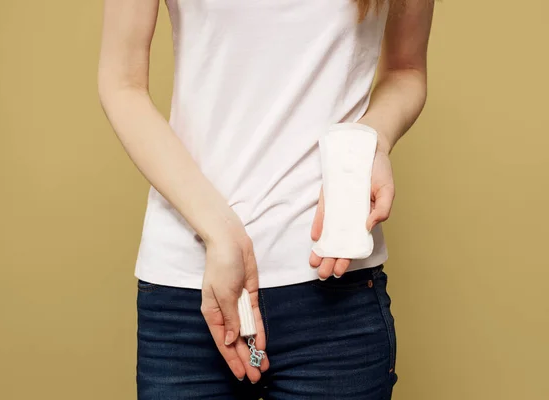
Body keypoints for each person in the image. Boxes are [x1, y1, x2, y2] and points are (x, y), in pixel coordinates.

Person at [98, 0, 433, 398]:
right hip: (187, 291)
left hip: (336, 292)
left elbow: (406, 70)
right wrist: (219, 232)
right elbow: (121, 83)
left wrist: (370, 141)